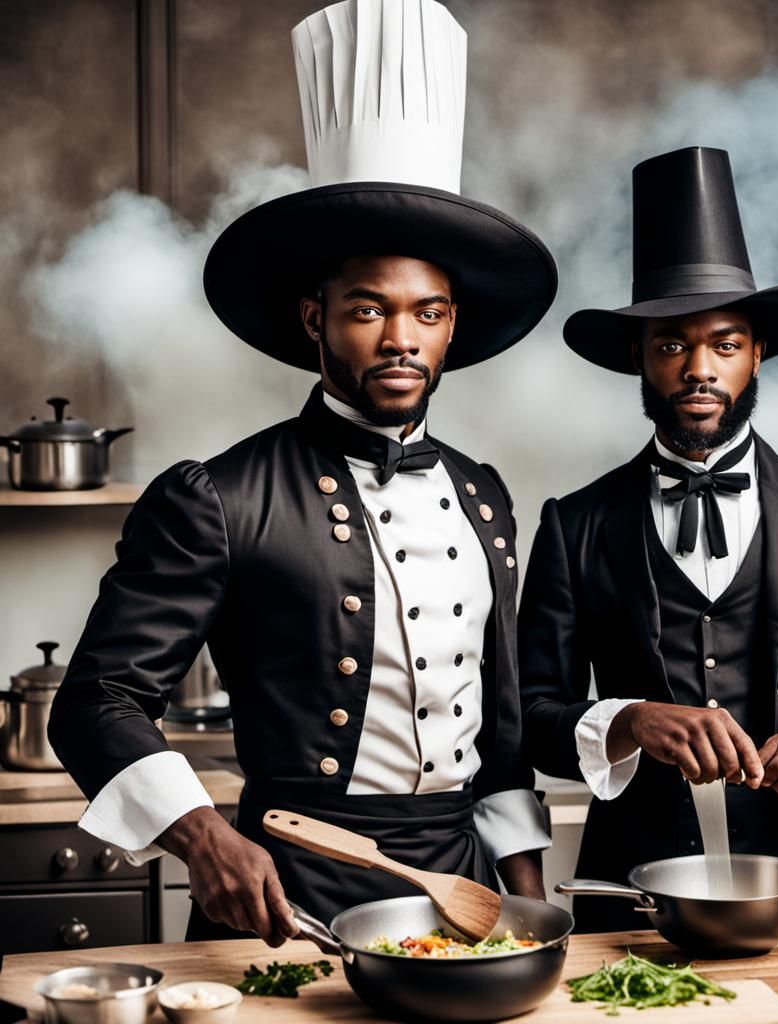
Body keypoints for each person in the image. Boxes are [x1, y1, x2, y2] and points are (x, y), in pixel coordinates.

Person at [48, 0, 556, 945]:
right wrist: (202, 835)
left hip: (462, 897)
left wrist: (528, 907)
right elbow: (97, 702)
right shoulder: (218, 495)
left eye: (428, 313)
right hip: (287, 897)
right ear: (315, 319)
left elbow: (504, 744)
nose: (401, 337)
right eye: (368, 308)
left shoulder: (484, 494)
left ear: (452, 328)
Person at [517, 146, 778, 930]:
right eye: (672, 345)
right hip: (630, 905)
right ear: (639, 359)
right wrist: (630, 720)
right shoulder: (573, 524)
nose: (698, 368)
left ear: (757, 354)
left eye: (724, 344)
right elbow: (529, 715)